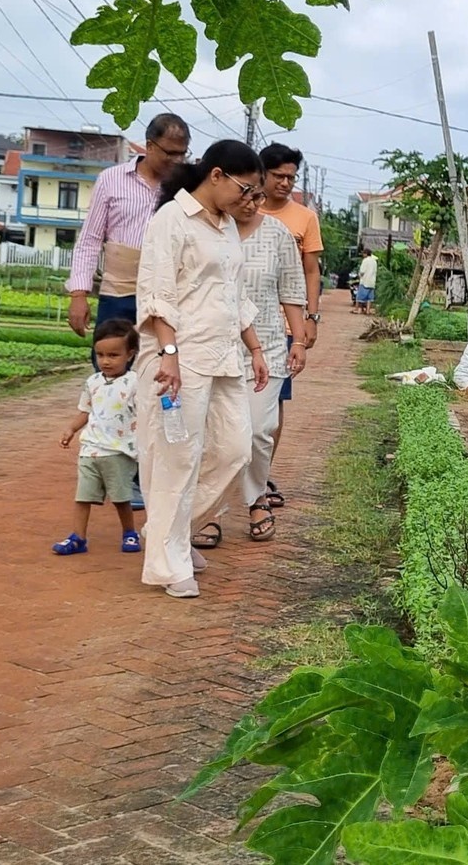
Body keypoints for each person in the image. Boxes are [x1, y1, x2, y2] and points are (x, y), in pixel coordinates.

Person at [134, 140, 272, 599]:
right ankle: (170, 563)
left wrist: (254, 347)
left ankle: (170, 532)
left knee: (235, 449)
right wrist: (168, 355)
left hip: (225, 355)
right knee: (178, 459)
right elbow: (157, 294)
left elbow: (235, 294)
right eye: (246, 189)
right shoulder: (170, 221)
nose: (250, 200)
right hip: (183, 358)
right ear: (216, 175)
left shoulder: (227, 226)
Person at [66, 112, 192, 346]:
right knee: (112, 366)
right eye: (170, 153)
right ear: (150, 146)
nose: (176, 160)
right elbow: (90, 240)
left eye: (182, 153)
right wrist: (79, 294)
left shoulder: (188, 188)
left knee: (160, 368)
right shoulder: (111, 179)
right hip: (118, 294)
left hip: (168, 296)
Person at [230, 197, 309, 541]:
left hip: (270, 347)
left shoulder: (278, 233)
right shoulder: (209, 228)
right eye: (242, 192)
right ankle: (209, 512)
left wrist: (300, 341)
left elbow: (292, 289)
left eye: (255, 195)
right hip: (215, 347)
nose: (249, 202)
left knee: (260, 429)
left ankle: (256, 496)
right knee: (213, 435)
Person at [253, 142, 324, 500]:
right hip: (242, 318)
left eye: (290, 178)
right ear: (261, 174)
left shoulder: (304, 218)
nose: (284, 183)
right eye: (278, 176)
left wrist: (310, 319)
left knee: (272, 404)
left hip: (282, 324)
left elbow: (311, 270)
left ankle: (262, 477)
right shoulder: (242, 210)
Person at [53, 319, 142, 556]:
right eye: (100, 355)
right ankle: (78, 537)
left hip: (119, 451)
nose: (106, 361)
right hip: (90, 449)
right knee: (83, 497)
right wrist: (72, 429)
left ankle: (129, 533)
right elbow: (86, 410)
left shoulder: (134, 382)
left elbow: (144, 412)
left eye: (114, 355)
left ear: (130, 354)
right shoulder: (93, 382)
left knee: (122, 497)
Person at [355, 247, 378, 315]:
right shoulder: (374, 261)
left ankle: (359, 310)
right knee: (369, 298)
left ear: (365, 254)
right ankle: (368, 310)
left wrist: (359, 276)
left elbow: (362, 271)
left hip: (365, 281)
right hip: (372, 282)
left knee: (361, 297)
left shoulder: (365, 261)